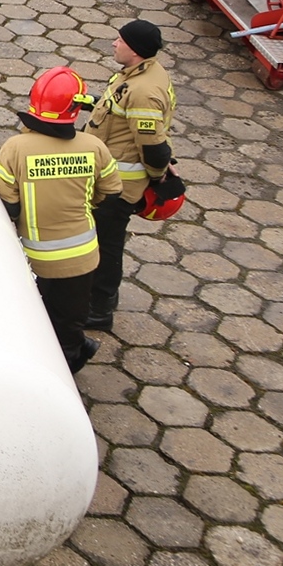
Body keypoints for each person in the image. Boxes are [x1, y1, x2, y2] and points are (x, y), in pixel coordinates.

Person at [0, 67, 122, 372]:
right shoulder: (94, 147)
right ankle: (71, 361)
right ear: (75, 109)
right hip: (82, 259)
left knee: (31, 319)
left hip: (34, 259)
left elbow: (8, 204)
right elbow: (112, 193)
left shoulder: (15, 149)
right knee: (68, 323)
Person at [83, 20, 178, 332]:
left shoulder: (143, 92)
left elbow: (153, 147)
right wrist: (87, 103)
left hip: (119, 188)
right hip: (111, 177)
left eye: (119, 40)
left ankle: (99, 309)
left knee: (106, 245)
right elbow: (116, 111)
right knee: (102, 240)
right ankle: (100, 299)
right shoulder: (142, 73)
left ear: (134, 51)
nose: (113, 43)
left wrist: (157, 176)